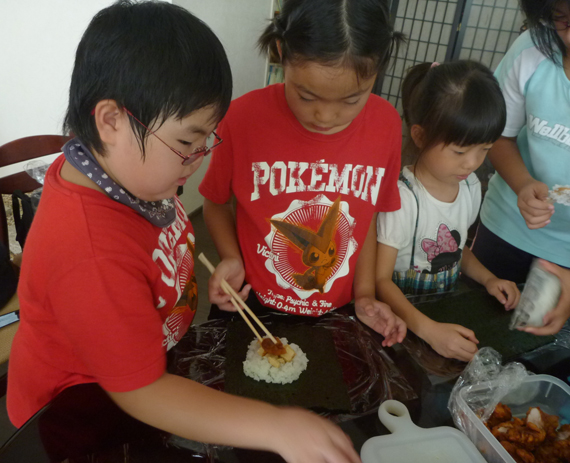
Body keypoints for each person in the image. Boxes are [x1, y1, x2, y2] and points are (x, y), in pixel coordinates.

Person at [7, 3, 361, 462]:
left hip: (139, 369)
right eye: (186, 142)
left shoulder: (133, 175)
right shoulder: (90, 249)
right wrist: (276, 426)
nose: (198, 158)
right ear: (111, 121)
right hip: (79, 414)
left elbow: (159, 252)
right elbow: (142, 390)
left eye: (206, 139)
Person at [199, 0, 406, 346]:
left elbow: (366, 217)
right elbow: (216, 203)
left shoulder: (386, 125)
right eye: (307, 96)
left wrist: (365, 294)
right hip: (251, 303)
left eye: (351, 100)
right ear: (282, 52)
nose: (325, 116)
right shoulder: (242, 118)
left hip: (339, 311)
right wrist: (232, 258)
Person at [375, 61, 521, 362]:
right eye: (460, 151)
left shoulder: (469, 187)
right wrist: (428, 330)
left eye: (484, 149)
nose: (472, 163)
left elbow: (457, 250)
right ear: (420, 136)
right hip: (399, 327)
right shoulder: (403, 198)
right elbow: (381, 281)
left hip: (443, 315)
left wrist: (489, 279)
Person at [471, 0, 570, 334]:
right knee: (479, 333)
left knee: (546, 353)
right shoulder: (533, 48)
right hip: (507, 225)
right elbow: (499, 135)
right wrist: (523, 184)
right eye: (561, 19)